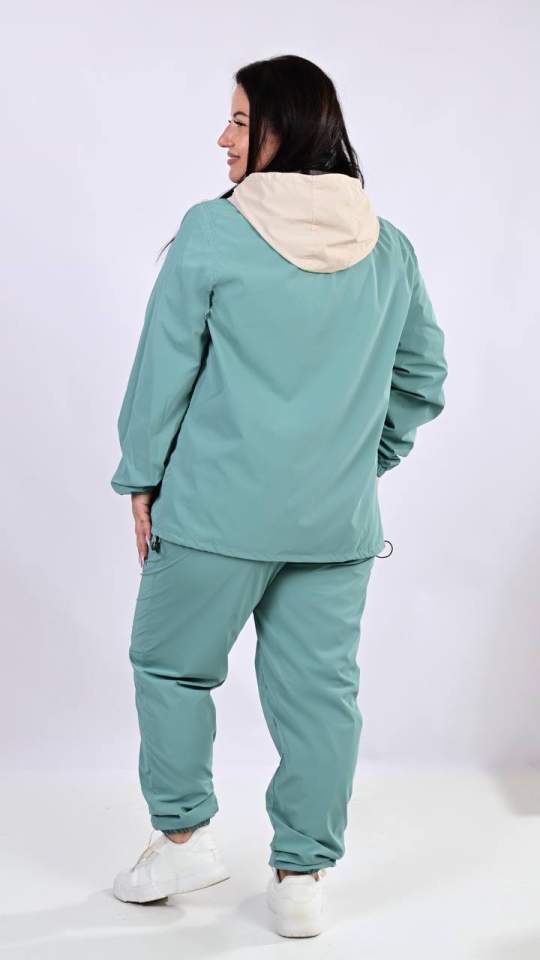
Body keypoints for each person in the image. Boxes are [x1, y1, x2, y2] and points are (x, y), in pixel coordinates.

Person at [109, 54, 448, 938]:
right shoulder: (388, 244)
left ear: (283, 127)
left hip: (213, 516)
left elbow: (162, 373)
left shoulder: (213, 231)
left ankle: (184, 838)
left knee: (171, 666)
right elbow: (424, 378)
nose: (222, 138)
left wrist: (140, 475)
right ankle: (301, 877)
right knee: (320, 699)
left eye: (238, 119)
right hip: (335, 524)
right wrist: (362, 462)